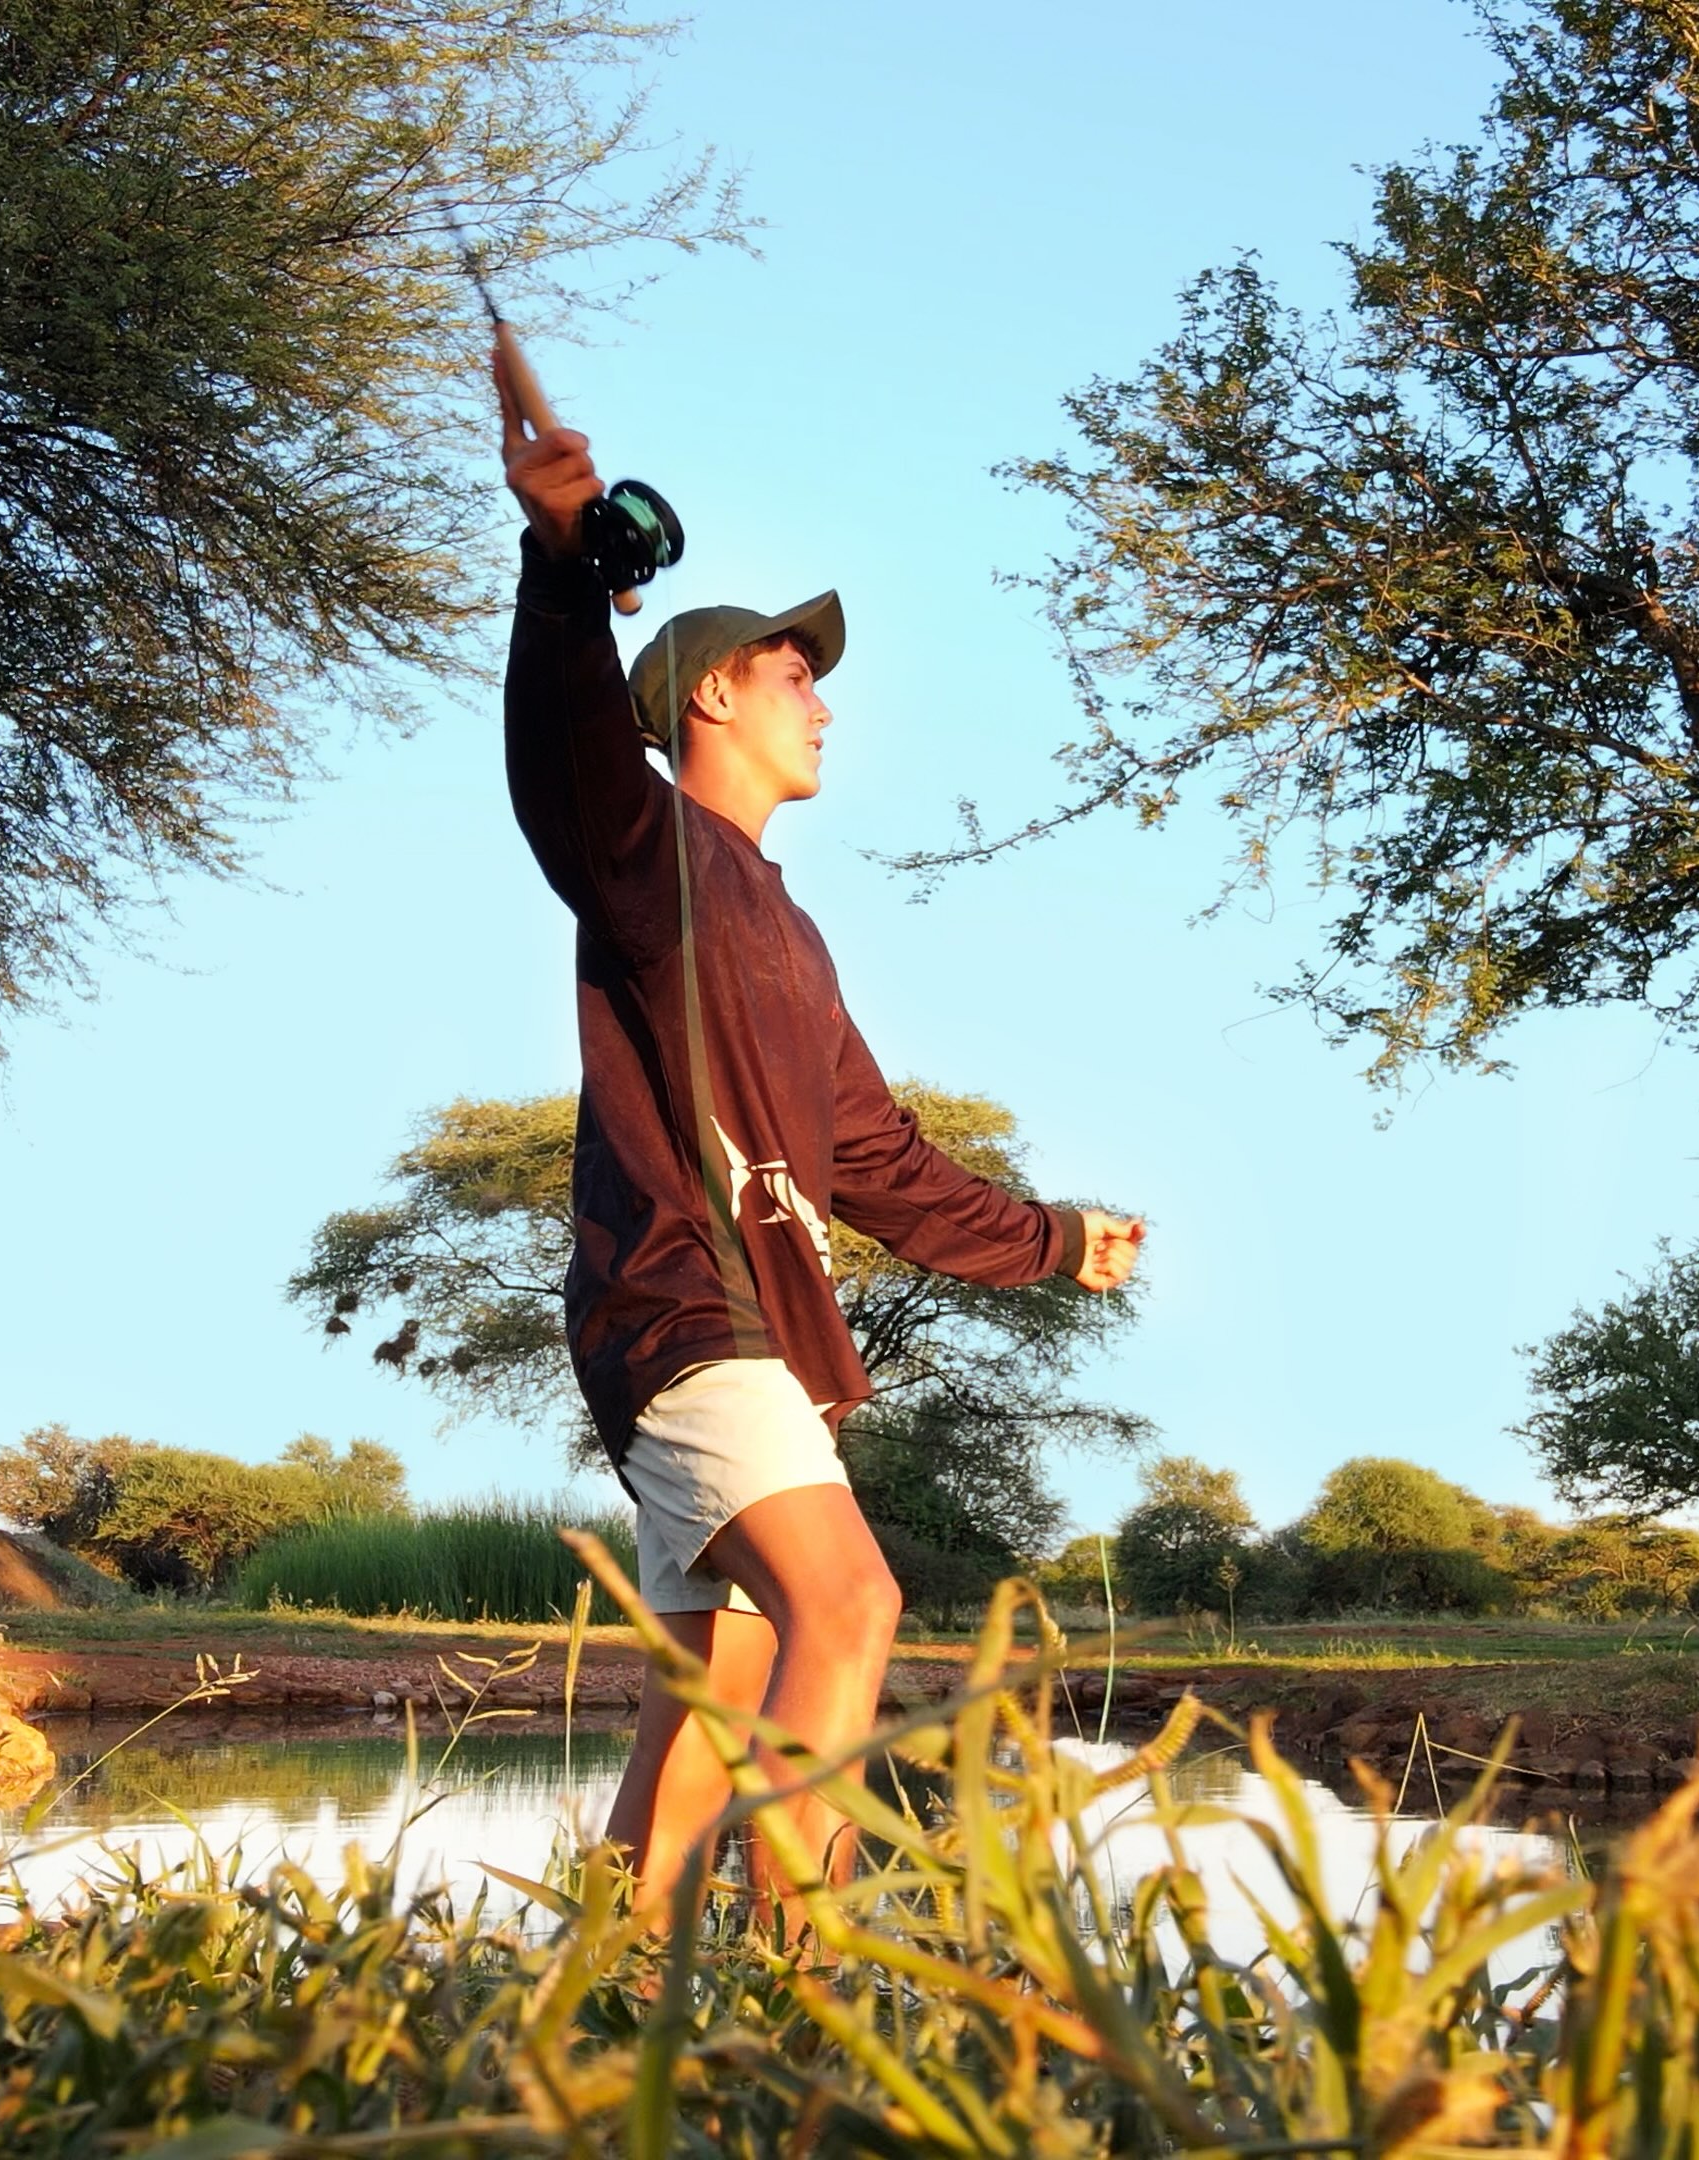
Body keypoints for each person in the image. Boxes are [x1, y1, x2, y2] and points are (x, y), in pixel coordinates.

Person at [495, 358, 1144, 1926]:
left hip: (758, 1336)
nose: (825, 702)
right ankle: (806, 1981)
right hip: (686, 1308)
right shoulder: (647, 855)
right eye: (796, 675)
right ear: (711, 696)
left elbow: (882, 1166)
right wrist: (562, 569)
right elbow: (568, 753)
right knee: (848, 1605)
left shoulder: (788, 929)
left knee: (707, 1704)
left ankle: (600, 1990)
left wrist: (1055, 1239)